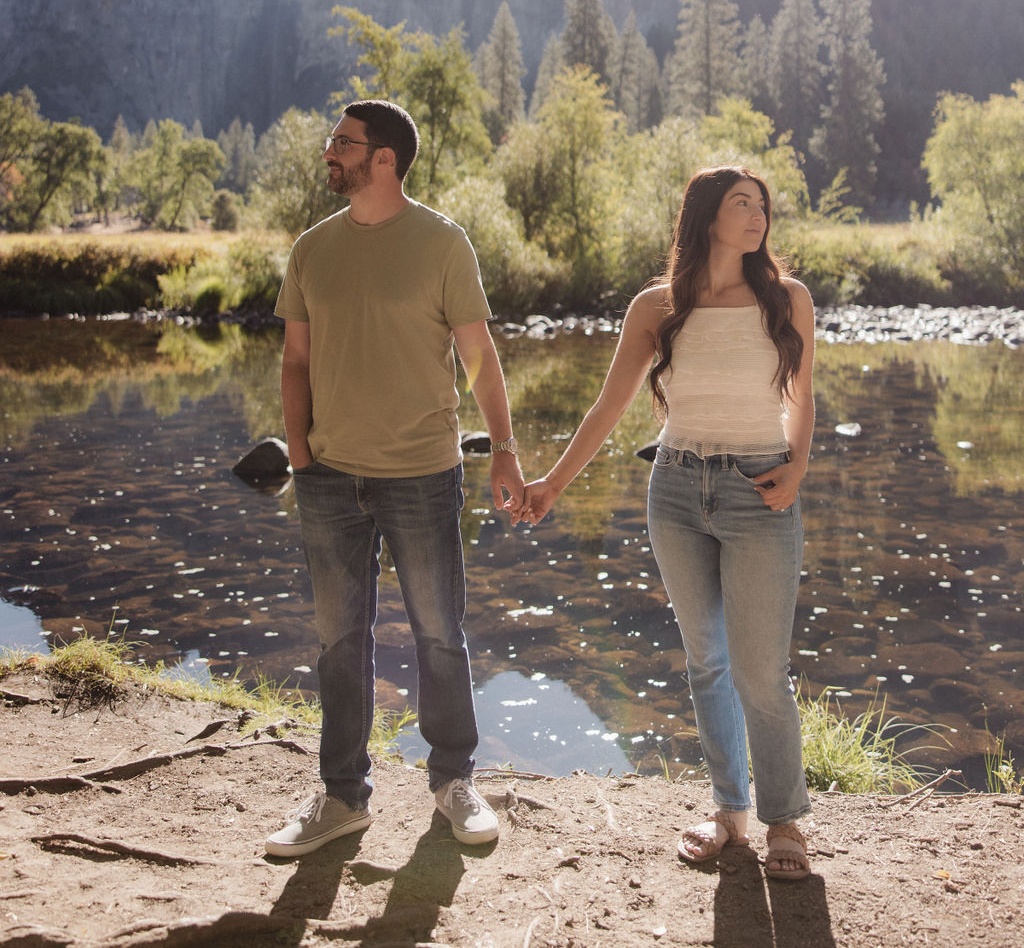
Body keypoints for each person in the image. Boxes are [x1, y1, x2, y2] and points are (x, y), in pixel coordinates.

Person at [516, 166, 816, 880]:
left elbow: (804, 399)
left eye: (762, 205)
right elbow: (608, 406)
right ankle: (729, 810)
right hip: (677, 491)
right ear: (706, 216)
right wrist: (553, 482)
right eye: (741, 203)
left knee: (759, 671)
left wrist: (798, 466)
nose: (757, 216)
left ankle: (784, 821)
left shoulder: (788, 299)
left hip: (760, 490)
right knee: (707, 661)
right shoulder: (658, 305)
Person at [265, 98, 524, 857]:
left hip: (421, 472)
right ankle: (342, 796)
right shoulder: (313, 248)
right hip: (329, 476)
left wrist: (503, 446)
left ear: (384, 158)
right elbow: (296, 360)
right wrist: (301, 454)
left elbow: (479, 356)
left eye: (341, 142)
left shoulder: (443, 242)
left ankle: (453, 783)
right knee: (338, 638)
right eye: (331, 140)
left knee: (440, 632)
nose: (328, 152)